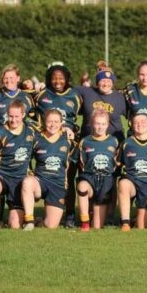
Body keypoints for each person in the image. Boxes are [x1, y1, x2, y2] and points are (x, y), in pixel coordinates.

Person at [35, 62, 82, 228]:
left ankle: (69, 215)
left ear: (67, 79)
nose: (58, 81)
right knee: (47, 174)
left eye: (61, 78)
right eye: (54, 78)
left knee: (68, 180)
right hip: (46, 143)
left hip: (68, 144)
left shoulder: (75, 96)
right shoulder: (41, 95)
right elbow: (25, 101)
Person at [20, 109, 74, 230]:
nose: (53, 125)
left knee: (50, 226)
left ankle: (39, 221)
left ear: (61, 124)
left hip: (58, 184)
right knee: (28, 182)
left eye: (56, 122)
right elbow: (25, 158)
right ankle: (29, 221)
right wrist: (29, 172)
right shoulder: (37, 138)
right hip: (41, 182)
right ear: (44, 122)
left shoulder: (69, 140)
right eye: (49, 121)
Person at [0, 100, 35, 229]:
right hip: (2, 175)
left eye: (17, 116)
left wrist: (66, 130)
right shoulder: (0, 132)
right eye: (10, 116)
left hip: (20, 178)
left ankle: (18, 217)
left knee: (15, 225)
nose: (13, 120)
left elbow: (50, 128)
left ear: (23, 115)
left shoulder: (31, 131)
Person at [116, 113, 147, 231]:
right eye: (136, 123)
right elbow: (118, 163)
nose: (139, 125)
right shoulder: (126, 143)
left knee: (141, 227)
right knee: (123, 184)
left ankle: (137, 220)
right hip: (132, 181)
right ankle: (125, 223)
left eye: (143, 122)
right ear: (132, 125)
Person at [76, 109, 120, 231]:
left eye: (103, 124)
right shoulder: (85, 141)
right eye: (97, 123)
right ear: (91, 124)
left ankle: (98, 215)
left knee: (97, 226)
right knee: (82, 186)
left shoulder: (114, 141)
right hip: (90, 178)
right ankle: (84, 222)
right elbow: (81, 163)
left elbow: (117, 164)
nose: (100, 127)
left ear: (107, 125)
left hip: (106, 180)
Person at [76, 67, 127, 143]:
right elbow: (66, 90)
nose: (106, 84)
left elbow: (132, 114)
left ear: (113, 83)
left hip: (114, 142)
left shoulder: (120, 97)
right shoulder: (87, 92)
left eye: (109, 81)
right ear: (97, 82)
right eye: (102, 80)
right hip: (88, 141)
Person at [0, 64, 36, 130]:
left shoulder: (27, 97)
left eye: (11, 78)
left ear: (18, 78)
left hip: (21, 138)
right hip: (2, 138)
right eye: (6, 78)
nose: (8, 81)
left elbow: (33, 118)